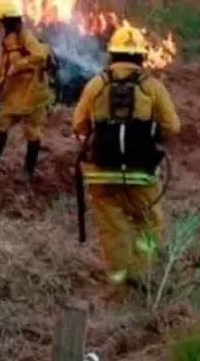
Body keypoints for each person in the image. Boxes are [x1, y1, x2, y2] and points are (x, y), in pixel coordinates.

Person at [72, 25, 180, 293]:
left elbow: (79, 124)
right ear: (141, 57)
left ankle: (118, 287)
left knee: (113, 230)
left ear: (112, 55)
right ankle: (140, 273)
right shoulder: (152, 87)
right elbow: (172, 127)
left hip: (101, 173)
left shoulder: (96, 84)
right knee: (150, 223)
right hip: (140, 173)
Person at [0, 0, 54, 181]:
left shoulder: (26, 37)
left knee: (31, 132)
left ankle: (28, 171)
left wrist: (20, 64)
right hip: (12, 96)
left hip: (32, 96)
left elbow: (40, 56)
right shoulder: (4, 44)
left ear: (7, 22)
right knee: (1, 125)